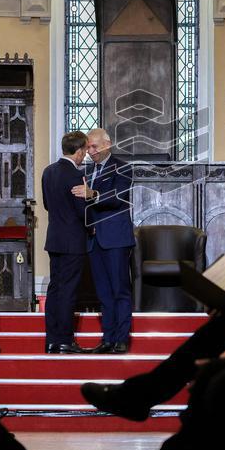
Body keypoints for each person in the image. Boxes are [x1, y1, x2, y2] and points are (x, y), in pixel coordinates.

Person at [72, 128, 136, 354]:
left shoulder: (123, 167)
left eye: (94, 147)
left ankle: (121, 338)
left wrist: (92, 195)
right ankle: (108, 338)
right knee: (103, 294)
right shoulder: (88, 170)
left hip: (115, 239)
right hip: (93, 239)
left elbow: (118, 197)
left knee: (120, 290)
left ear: (107, 144)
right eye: (88, 147)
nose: (90, 151)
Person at [41, 131, 94, 354]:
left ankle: (52, 340)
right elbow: (82, 211)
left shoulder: (48, 172)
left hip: (54, 239)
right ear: (80, 151)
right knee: (68, 291)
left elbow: (46, 204)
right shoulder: (75, 175)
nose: (85, 156)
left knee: (55, 289)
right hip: (73, 241)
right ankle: (65, 340)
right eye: (85, 151)